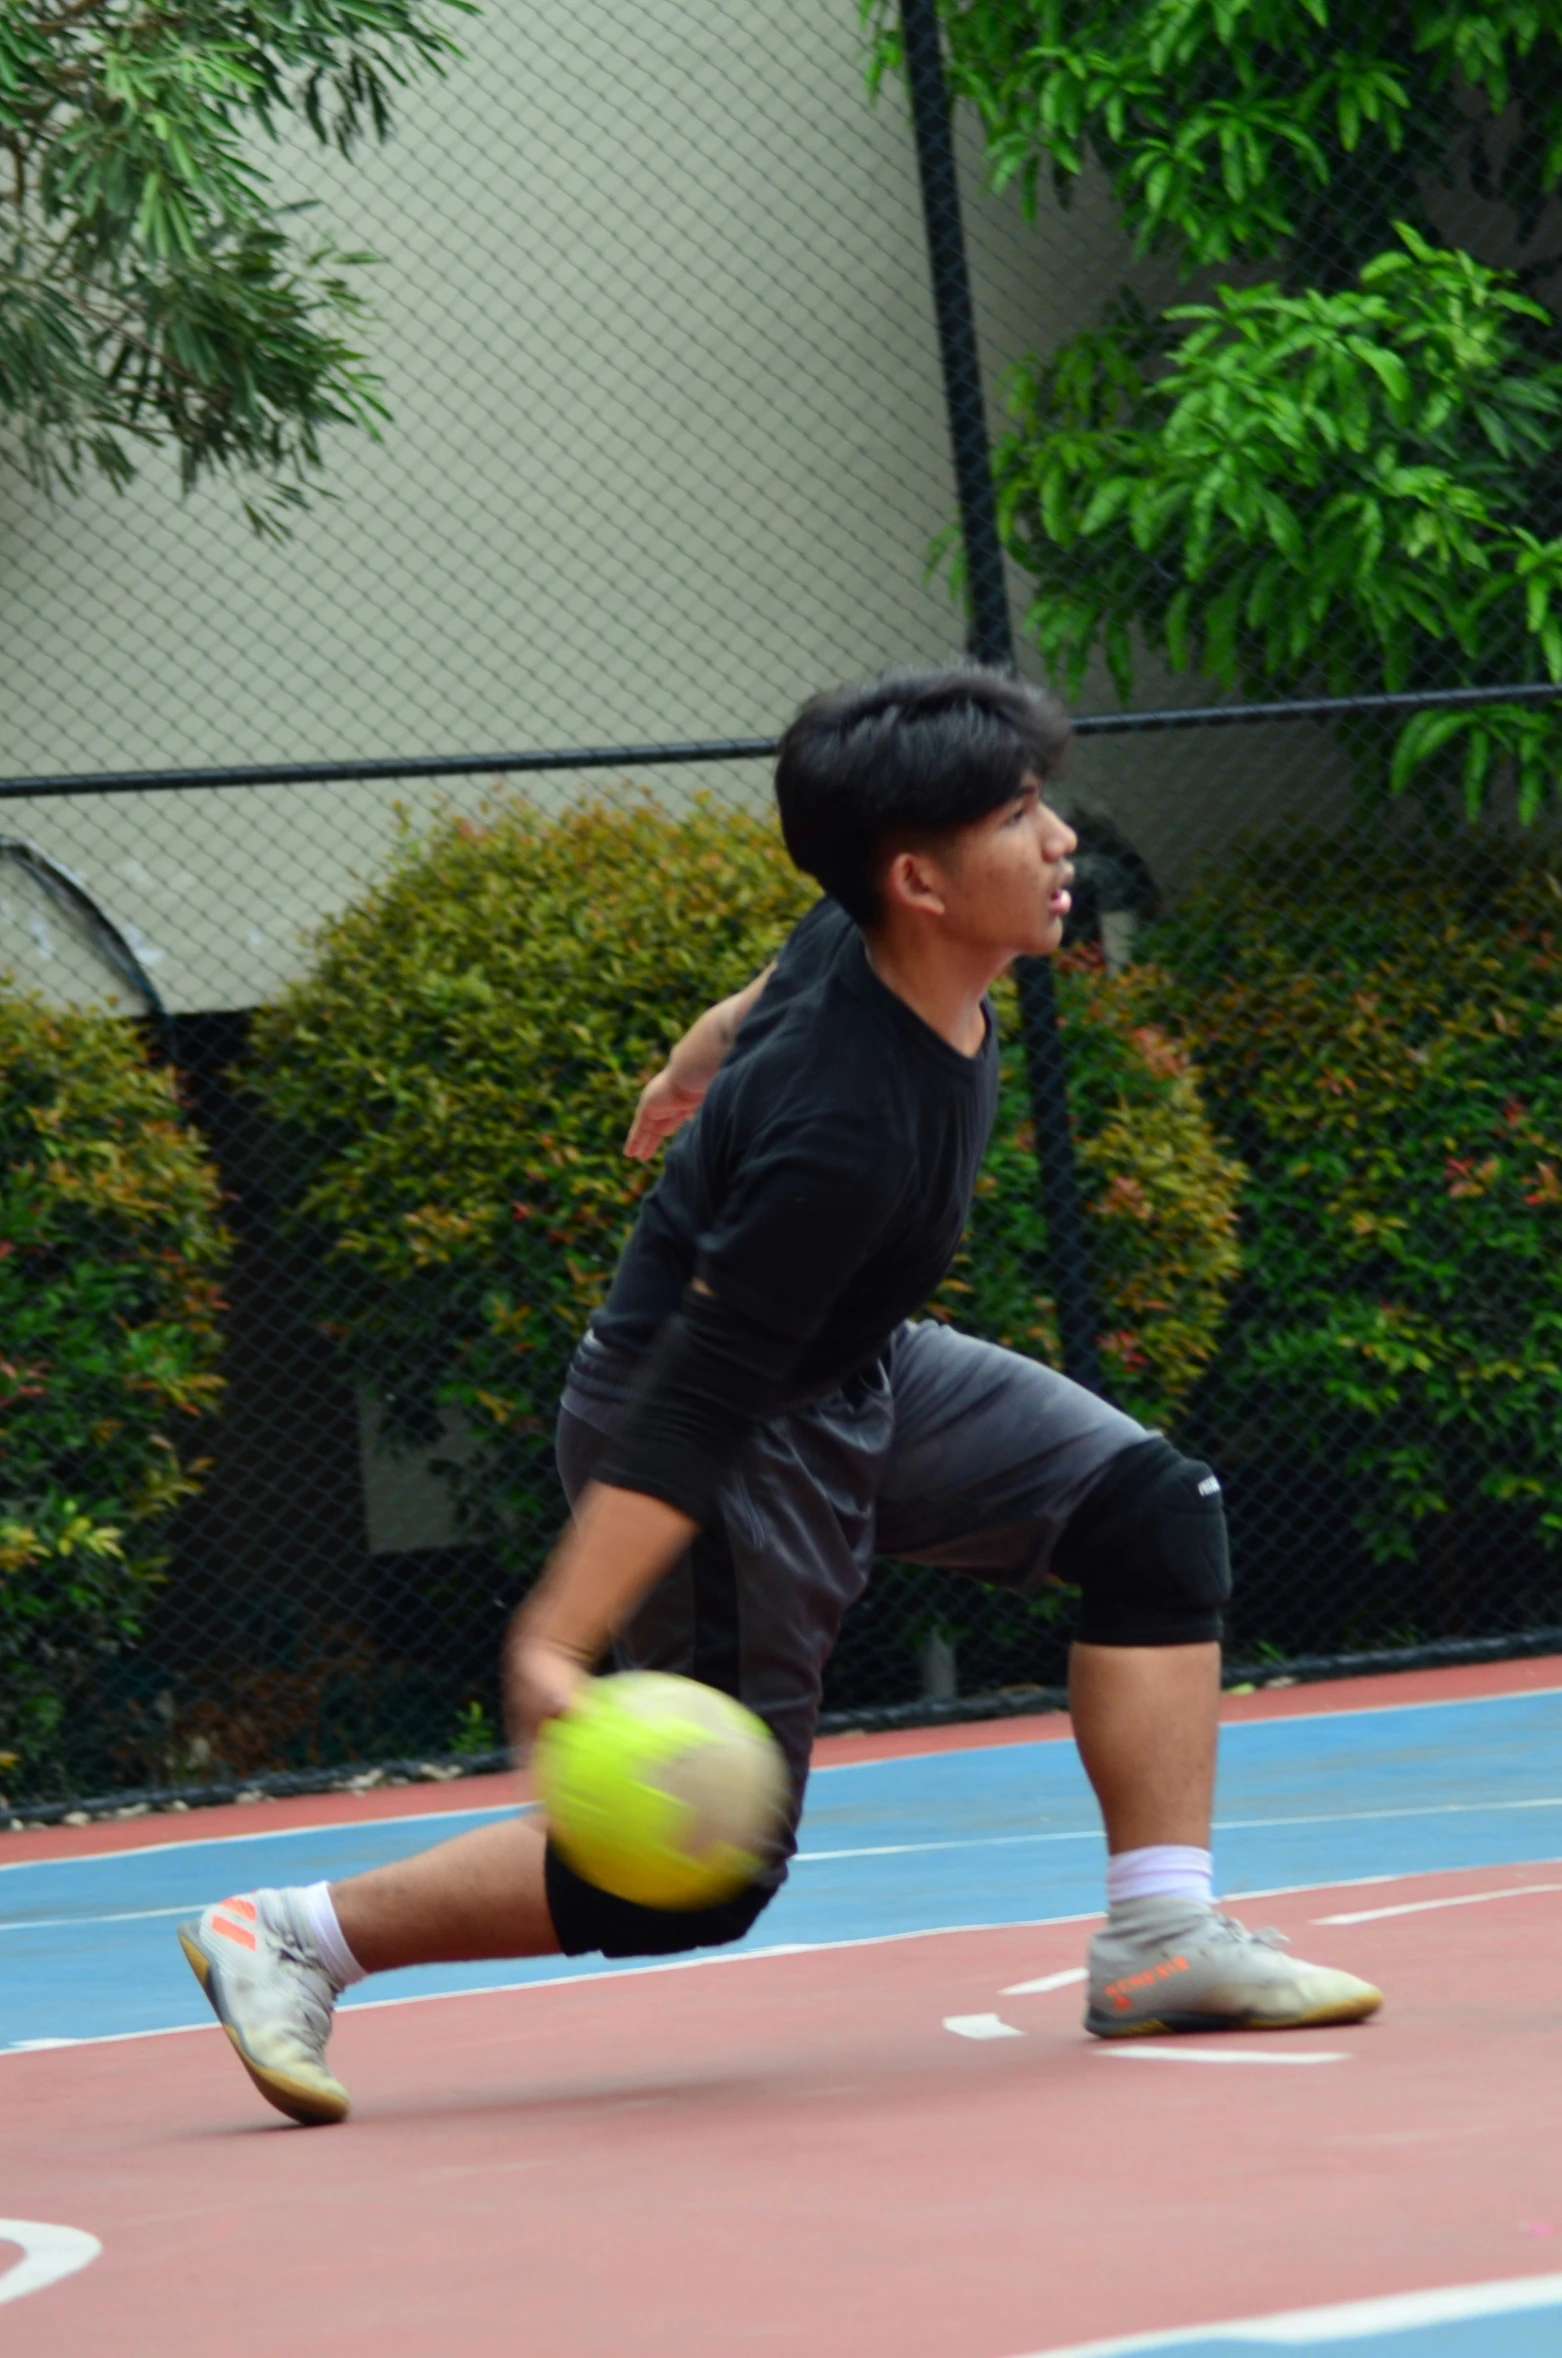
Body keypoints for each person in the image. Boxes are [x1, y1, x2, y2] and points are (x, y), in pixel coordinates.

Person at [178, 667, 1381, 2126]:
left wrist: (698, 1048)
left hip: (854, 1365)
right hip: (722, 1435)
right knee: (702, 1873)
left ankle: (1159, 1939)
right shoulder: (844, 1126)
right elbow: (697, 1396)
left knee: (1152, 1512)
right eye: (1017, 814)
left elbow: (781, 975)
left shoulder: (863, 937)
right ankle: (293, 1933)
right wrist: (551, 1639)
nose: (1059, 836)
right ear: (920, 878)